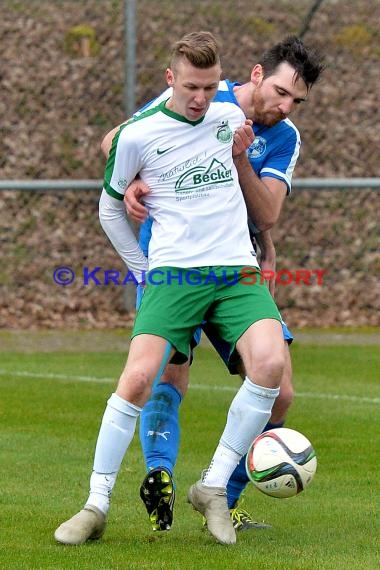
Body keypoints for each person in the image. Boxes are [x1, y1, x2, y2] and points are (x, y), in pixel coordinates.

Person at [54, 30, 285, 547]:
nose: (199, 98)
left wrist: (262, 240)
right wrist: (142, 269)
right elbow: (108, 207)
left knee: (270, 366)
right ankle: (95, 504)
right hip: (173, 274)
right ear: (170, 81)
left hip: (234, 271)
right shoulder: (139, 134)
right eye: (189, 88)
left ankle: (212, 487)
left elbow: (253, 192)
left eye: (208, 87)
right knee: (137, 378)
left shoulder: (230, 120)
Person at [100, 36, 324, 532]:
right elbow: (118, 138)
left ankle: (223, 496)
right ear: (258, 74)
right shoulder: (205, 93)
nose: (285, 107)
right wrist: (134, 179)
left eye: (297, 101)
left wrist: (242, 160)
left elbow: (267, 214)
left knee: (279, 388)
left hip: (233, 265)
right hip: (174, 260)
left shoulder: (283, 136)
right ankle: (158, 475)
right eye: (282, 92)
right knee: (167, 374)